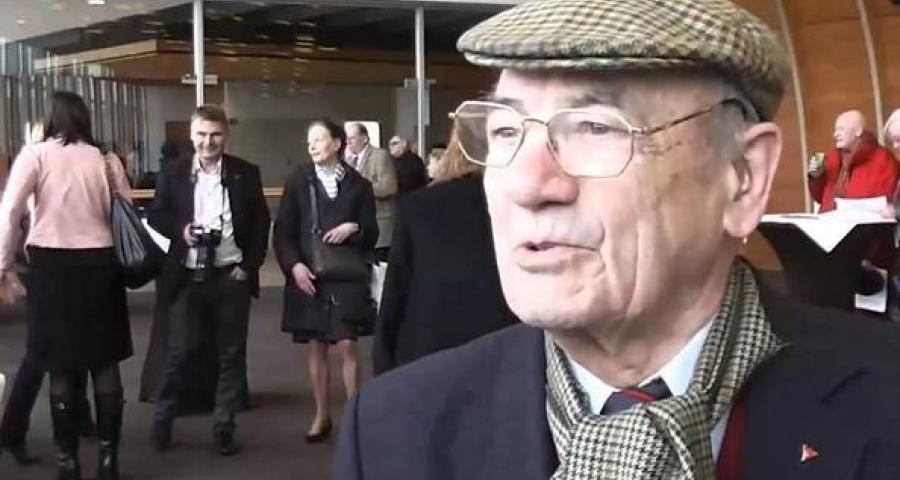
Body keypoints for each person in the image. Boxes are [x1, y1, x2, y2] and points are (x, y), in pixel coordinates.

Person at [334, 0, 900, 478]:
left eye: (595, 127)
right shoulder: (391, 432)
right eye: (506, 131)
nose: (529, 184)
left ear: (743, 176)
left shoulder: (885, 399)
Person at [0, 91, 132, 480]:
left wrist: (3, 265)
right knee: (105, 363)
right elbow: (125, 211)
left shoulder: (35, 155)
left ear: (52, 118)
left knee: (59, 367)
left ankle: (67, 463)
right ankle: (108, 461)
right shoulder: (106, 159)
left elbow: (10, 211)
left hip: (51, 268)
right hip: (101, 266)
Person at [149, 105, 270, 456]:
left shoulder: (246, 172)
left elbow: (261, 223)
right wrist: (183, 230)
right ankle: (162, 422)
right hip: (186, 276)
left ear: (226, 136)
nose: (208, 142)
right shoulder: (173, 173)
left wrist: (248, 266)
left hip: (230, 275)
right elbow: (157, 215)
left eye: (215, 134)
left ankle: (224, 427)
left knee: (231, 355)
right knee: (178, 353)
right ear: (191, 135)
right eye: (202, 134)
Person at [373, 133, 517, 374]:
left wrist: (383, 365)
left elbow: (396, 292)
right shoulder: (523, 207)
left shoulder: (418, 206)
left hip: (427, 352)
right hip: (507, 355)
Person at [273, 119, 378, 443]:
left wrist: (354, 227)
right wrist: (294, 266)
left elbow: (373, 231)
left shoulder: (359, 185)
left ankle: (356, 417)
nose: (313, 145)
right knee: (317, 346)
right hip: (309, 273)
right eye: (310, 141)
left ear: (337, 143)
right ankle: (321, 415)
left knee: (348, 344)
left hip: (346, 273)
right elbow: (284, 231)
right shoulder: (298, 182)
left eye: (319, 139)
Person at [0, 121, 96, 468]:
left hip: (55, 262)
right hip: (48, 263)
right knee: (40, 353)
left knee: (69, 345)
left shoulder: (45, 158)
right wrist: (3, 264)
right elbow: (13, 213)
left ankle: (76, 417)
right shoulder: (40, 159)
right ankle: (12, 430)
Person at [808, 110, 899, 213]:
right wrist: (816, 176)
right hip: (828, 220)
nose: (835, 134)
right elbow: (819, 197)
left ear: (858, 131)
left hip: (864, 221)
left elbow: (888, 201)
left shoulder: (883, 160)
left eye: (841, 129)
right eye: (835, 130)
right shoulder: (832, 157)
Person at [344, 123, 396, 262]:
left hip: (380, 226)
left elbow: (389, 187)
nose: (348, 142)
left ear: (365, 138)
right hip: (360, 230)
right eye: (346, 139)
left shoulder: (380, 156)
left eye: (351, 138)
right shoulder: (347, 161)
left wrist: (361, 189)